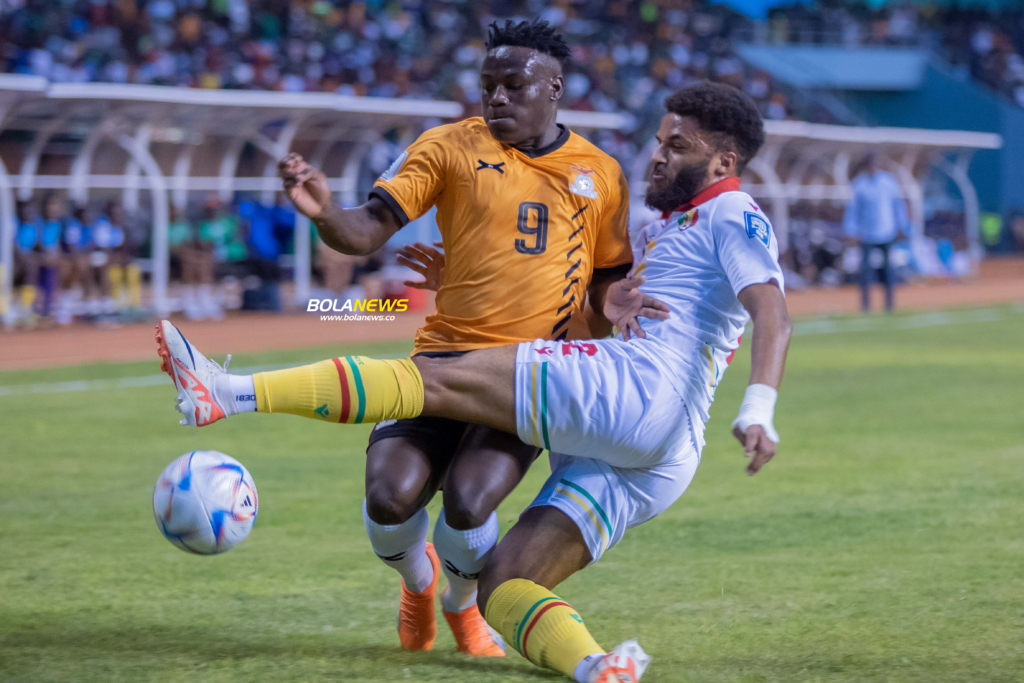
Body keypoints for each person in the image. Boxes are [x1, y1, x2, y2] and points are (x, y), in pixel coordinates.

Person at [156, 82, 791, 683]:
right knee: (508, 584)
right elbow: (587, 305)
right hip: (660, 450)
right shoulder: (666, 225)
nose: (656, 156)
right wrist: (468, 281)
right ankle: (597, 666)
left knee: (431, 381)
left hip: (635, 391)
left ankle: (225, 392)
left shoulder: (733, 211)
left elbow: (772, 310)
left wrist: (760, 406)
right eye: (659, 141)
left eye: (676, 146)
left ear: (723, 160)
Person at [272, 19, 632, 658]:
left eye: (512, 86)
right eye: (487, 86)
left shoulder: (600, 173)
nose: (496, 98)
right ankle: (418, 584)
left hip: (526, 376)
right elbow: (366, 230)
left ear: (554, 87)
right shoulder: (444, 146)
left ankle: (462, 608)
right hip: (443, 360)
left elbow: (606, 283)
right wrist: (326, 210)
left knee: (468, 503)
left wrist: (608, 330)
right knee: (389, 496)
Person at [843, 154, 910, 312]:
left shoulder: (888, 182)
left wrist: (903, 226)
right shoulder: (859, 185)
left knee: (888, 270)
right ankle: (866, 305)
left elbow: (897, 206)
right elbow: (853, 210)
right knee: (865, 271)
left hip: (887, 232)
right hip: (867, 234)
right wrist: (850, 231)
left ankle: (889, 304)